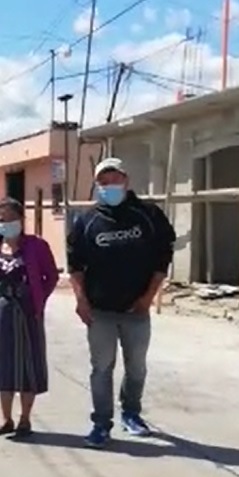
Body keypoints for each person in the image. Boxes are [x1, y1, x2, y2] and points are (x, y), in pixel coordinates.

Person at [66, 157, 176, 448]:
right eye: (103, 182)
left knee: (136, 367)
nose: (109, 186)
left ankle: (131, 413)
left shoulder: (148, 215)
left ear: (126, 181)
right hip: (100, 311)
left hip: (136, 310)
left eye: (114, 180)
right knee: (101, 368)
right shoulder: (87, 221)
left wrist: (149, 297)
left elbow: (163, 258)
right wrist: (81, 300)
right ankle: (101, 424)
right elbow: (75, 264)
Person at [0, 198, 59, 438]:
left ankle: (25, 418)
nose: (7, 224)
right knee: (2, 365)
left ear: (22, 220)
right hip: (1, 312)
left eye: (11, 218)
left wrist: (38, 299)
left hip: (27, 312)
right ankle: (6, 418)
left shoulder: (36, 246)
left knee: (27, 365)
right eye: (1, 220)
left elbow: (50, 276)